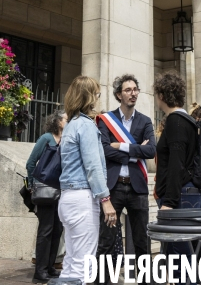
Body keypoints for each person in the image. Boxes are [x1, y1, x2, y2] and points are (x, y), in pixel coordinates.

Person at [96, 74, 156, 284]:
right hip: (114, 188)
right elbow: (103, 150)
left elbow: (150, 150)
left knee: (141, 241)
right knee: (106, 240)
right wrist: (134, 151)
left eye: (135, 89)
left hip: (137, 188)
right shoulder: (106, 120)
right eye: (128, 90)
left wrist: (119, 146)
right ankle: (102, 280)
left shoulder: (145, 121)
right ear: (118, 94)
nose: (133, 93)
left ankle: (144, 280)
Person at [57, 76, 116, 283]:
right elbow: (93, 166)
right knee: (84, 265)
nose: (98, 99)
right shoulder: (86, 125)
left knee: (71, 263)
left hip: (67, 198)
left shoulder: (71, 125)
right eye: (97, 94)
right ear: (90, 97)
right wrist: (106, 200)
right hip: (82, 198)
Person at [154, 71, 200, 285]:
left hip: (178, 197)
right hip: (185, 193)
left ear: (162, 95)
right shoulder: (188, 121)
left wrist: (170, 202)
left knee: (182, 258)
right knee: (178, 258)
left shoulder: (176, 121)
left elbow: (176, 163)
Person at [26, 110, 67, 284]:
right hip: (45, 191)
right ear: (58, 121)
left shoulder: (66, 140)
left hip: (61, 192)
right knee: (45, 231)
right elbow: (30, 163)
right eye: (66, 119)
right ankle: (40, 271)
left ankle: (50, 266)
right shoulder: (46, 138)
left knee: (57, 230)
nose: (68, 121)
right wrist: (33, 185)